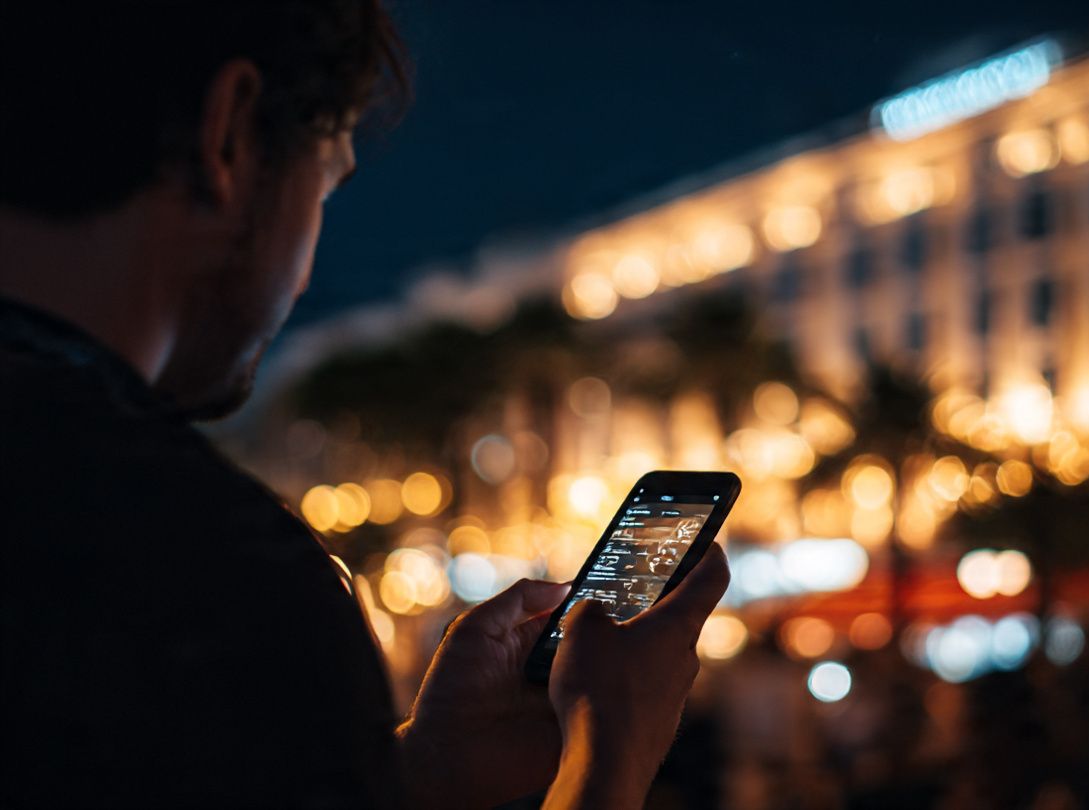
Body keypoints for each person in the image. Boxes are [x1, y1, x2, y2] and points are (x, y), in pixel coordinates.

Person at [0, 2, 729, 808]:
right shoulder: (198, 568)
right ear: (229, 137)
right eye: (325, 185)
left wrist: (424, 772)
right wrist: (611, 756)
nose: (306, 271)